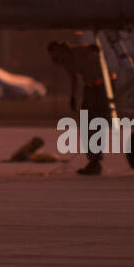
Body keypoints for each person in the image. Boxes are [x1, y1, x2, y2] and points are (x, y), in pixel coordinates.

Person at [48, 39, 112, 175]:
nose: (56, 58)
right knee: (86, 124)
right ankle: (93, 160)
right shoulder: (66, 62)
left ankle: (95, 160)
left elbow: (93, 50)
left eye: (56, 54)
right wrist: (73, 96)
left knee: (96, 123)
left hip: (101, 87)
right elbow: (74, 78)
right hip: (89, 88)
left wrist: (93, 50)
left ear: (60, 49)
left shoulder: (79, 51)